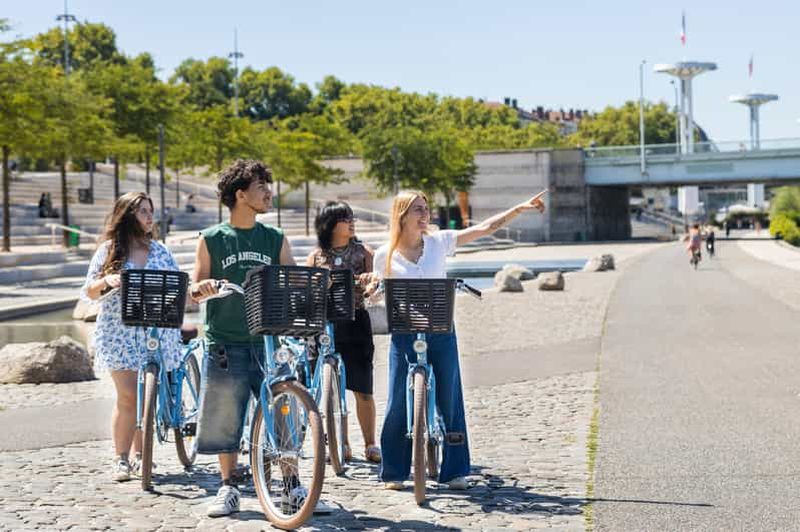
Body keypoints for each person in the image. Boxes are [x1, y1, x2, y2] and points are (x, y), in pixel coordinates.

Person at [373, 189, 546, 491]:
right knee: (398, 401)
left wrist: (518, 208)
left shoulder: (439, 243)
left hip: (440, 326)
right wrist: (371, 289)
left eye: (426, 209)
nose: (425, 215)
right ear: (401, 215)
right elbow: (378, 290)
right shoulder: (383, 255)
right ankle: (394, 472)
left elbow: (483, 229)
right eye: (417, 210)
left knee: (450, 399)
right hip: (404, 331)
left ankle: (453, 470)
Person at [190, 160, 331, 518]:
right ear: (240, 195)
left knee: (283, 411)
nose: (269, 193)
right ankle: (228, 487)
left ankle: (291, 486)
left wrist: (318, 281)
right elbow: (195, 288)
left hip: (269, 339)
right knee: (225, 417)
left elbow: (295, 278)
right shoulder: (212, 239)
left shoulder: (275, 238)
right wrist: (204, 287)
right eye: (261, 188)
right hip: (226, 338)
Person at [79, 192, 184, 482]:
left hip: (154, 333)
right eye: (142, 212)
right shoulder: (110, 250)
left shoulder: (162, 251)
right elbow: (88, 291)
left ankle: (142, 456)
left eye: (151, 211)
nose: (150, 217)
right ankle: (121, 458)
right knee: (128, 396)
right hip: (118, 334)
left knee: (144, 398)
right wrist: (107, 280)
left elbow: (178, 287)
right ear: (127, 216)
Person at [306, 201, 381, 464]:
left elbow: (375, 289)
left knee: (363, 388)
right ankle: (342, 443)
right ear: (329, 224)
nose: (351, 221)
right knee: (331, 389)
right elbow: (309, 293)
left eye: (352, 216)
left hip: (356, 321)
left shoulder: (363, 252)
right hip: (325, 326)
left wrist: (370, 284)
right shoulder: (316, 257)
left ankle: (371, 443)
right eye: (344, 218)